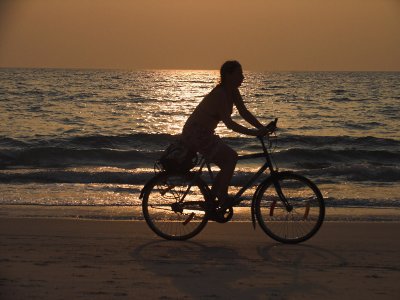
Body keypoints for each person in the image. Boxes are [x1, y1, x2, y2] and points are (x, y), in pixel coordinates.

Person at [181, 60, 272, 207]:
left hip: (204, 133)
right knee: (231, 158)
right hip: (196, 133)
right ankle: (221, 196)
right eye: (239, 74)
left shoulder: (233, 91)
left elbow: (244, 112)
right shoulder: (220, 94)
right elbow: (229, 124)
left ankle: (214, 196)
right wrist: (254, 133)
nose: (243, 77)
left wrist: (262, 127)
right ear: (229, 75)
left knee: (228, 161)